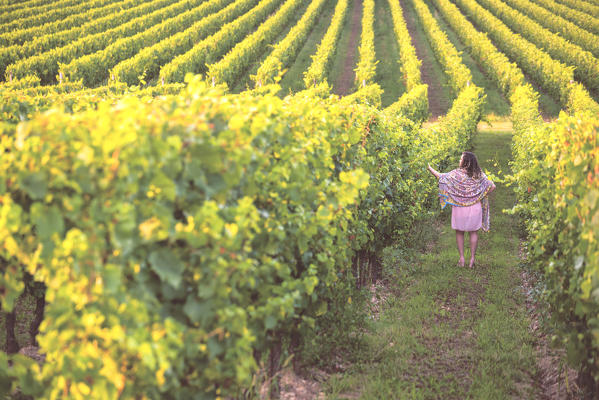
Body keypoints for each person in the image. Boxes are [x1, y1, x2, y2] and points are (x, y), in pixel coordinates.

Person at [427, 152, 496, 268]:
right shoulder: (479, 175)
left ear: (466, 161)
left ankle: (462, 258)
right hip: (475, 207)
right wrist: (479, 195)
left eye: (461, 158)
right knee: (473, 232)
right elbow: (492, 186)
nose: (459, 160)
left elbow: (441, 177)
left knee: (459, 232)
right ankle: (472, 259)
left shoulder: (456, 174)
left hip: (459, 207)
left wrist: (429, 168)